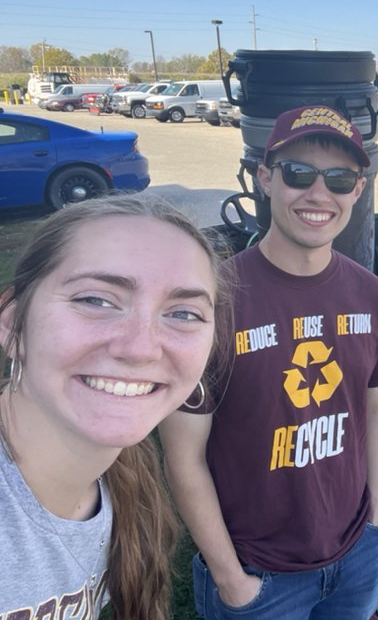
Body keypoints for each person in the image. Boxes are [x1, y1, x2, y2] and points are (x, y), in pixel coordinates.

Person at [160, 105, 378, 620]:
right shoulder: (214, 304)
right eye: (300, 174)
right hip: (258, 574)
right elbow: (184, 458)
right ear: (266, 179)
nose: (320, 195)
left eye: (340, 179)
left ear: (357, 192)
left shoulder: (375, 299)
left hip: (357, 553)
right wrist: (232, 580)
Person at [0, 195, 227, 620]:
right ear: (13, 321)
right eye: (95, 300)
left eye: (183, 313)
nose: (140, 348)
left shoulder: (124, 479)